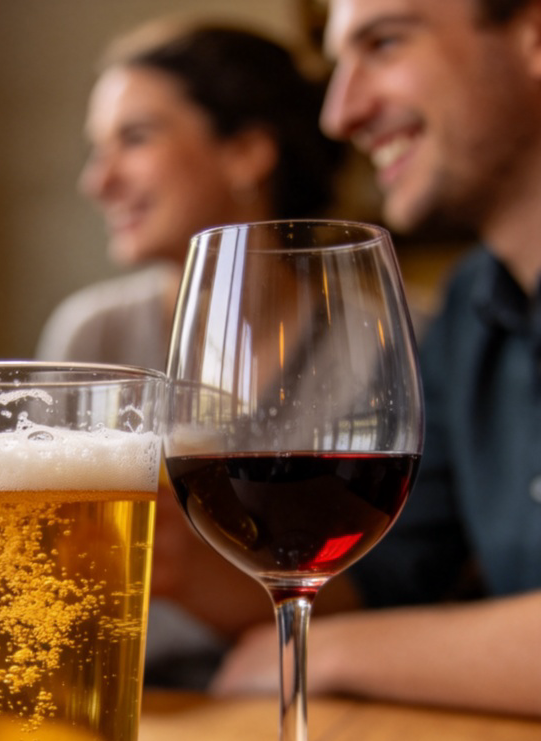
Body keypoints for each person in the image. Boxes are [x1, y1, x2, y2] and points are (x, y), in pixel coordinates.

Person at [212, 0, 541, 717]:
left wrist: (331, 655)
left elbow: (357, 623)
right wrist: (163, 553)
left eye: (385, 44)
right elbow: (383, 576)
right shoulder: (472, 308)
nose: (339, 113)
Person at [37, 20, 344, 686]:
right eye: (99, 149)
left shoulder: (382, 346)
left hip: (307, 705)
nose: (99, 180)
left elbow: (401, 594)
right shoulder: (92, 339)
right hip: (130, 709)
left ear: (247, 151)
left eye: (135, 138)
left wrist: (197, 570)